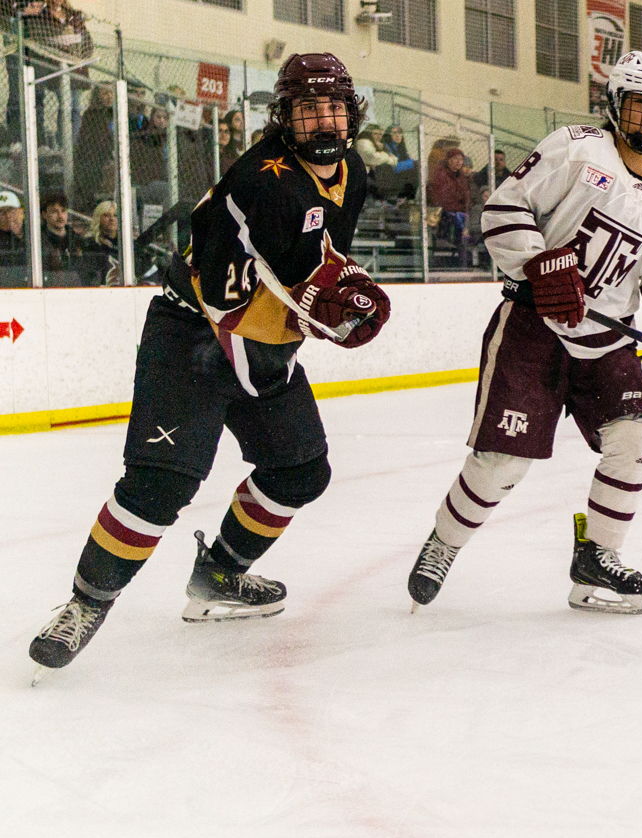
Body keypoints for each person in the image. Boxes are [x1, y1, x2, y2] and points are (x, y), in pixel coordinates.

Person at [29, 53, 391, 674]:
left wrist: (331, 290)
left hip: (261, 339)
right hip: (193, 334)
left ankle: (220, 575)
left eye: (333, 107)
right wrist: (310, 311)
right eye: (308, 110)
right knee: (162, 481)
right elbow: (226, 303)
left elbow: (319, 258)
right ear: (285, 118)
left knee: (300, 470)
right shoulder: (258, 183)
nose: (324, 122)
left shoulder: (351, 171)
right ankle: (85, 602)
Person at [404, 52, 642, 614]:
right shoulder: (575, 148)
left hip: (606, 340)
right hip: (533, 326)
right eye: (640, 105)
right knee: (501, 463)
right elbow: (504, 209)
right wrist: (539, 263)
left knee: (635, 440)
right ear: (616, 106)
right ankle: (443, 544)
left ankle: (598, 558)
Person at [427, 146, 472, 267]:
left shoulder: (461, 176)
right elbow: (443, 196)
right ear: (449, 160)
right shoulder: (441, 174)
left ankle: (463, 262)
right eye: (455, 158)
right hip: (445, 214)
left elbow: (466, 196)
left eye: (461, 159)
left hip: (459, 214)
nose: (459, 162)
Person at [82, 200, 120, 286]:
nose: (112, 219)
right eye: (106, 215)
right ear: (98, 218)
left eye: (115, 215)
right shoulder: (90, 244)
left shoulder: (126, 243)